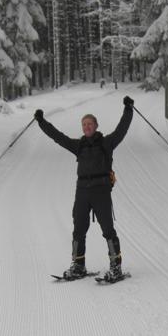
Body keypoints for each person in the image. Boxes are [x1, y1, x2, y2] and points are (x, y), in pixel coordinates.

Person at [34, 96, 134, 281]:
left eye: (89, 124)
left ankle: (116, 267)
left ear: (96, 126)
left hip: (101, 191)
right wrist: (41, 122)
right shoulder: (78, 145)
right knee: (78, 229)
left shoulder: (107, 143)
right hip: (82, 192)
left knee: (108, 230)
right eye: (84, 124)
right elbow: (58, 137)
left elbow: (122, 129)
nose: (86, 127)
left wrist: (128, 109)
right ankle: (78, 265)